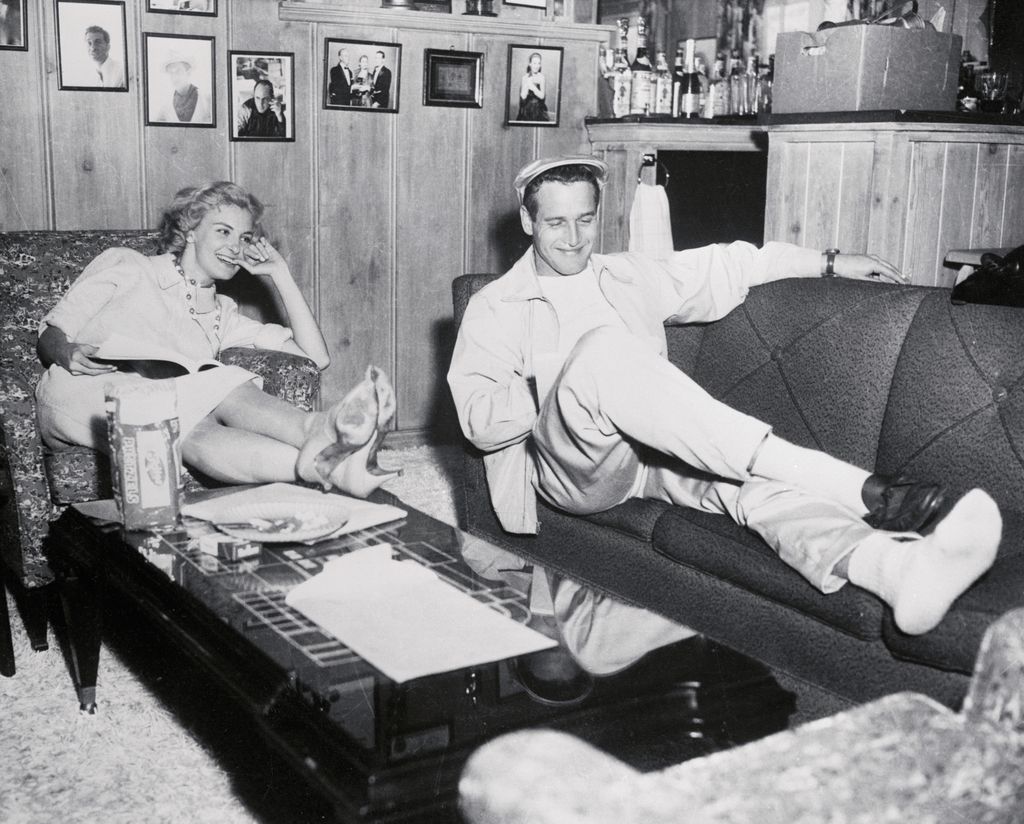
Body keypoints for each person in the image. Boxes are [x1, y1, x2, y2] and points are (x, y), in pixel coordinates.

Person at [448, 156, 1002, 683]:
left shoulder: (627, 276)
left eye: (586, 220)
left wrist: (829, 261)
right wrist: (557, 377)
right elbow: (476, 420)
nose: (573, 238)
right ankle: (859, 487)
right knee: (599, 353)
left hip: (649, 460)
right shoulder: (496, 306)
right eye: (556, 223)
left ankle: (893, 569)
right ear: (527, 220)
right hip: (570, 469)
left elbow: (731, 264)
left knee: (755, 491)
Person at [35, 181, 396, 497]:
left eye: (245, 238)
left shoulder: (223, 312)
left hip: (168, 407)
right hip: (86, 388)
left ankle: (324, 459)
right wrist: (67, 351)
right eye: (223, 232)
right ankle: (325, 443)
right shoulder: (128, 265)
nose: (235, 248)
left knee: (210, 405)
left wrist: (281, 275)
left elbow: (314, 359)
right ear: (191, 231)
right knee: (186, 410)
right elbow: (52, 331)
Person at [152, 51, 212, 124]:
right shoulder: (166, 106)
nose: (174, 77)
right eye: (171, 73)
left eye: (178, 71)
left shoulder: (206, 99)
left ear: (188, 72)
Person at [516, 53, 548, 122]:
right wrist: (527, 85)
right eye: (534, 63)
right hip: (527, 110)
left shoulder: (542, 77)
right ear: (530, 64)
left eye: (539, 63)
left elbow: (542, 96)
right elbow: (523, 96)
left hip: (539, 110)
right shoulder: (525, 77)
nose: (537, 66)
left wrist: (532, 87)